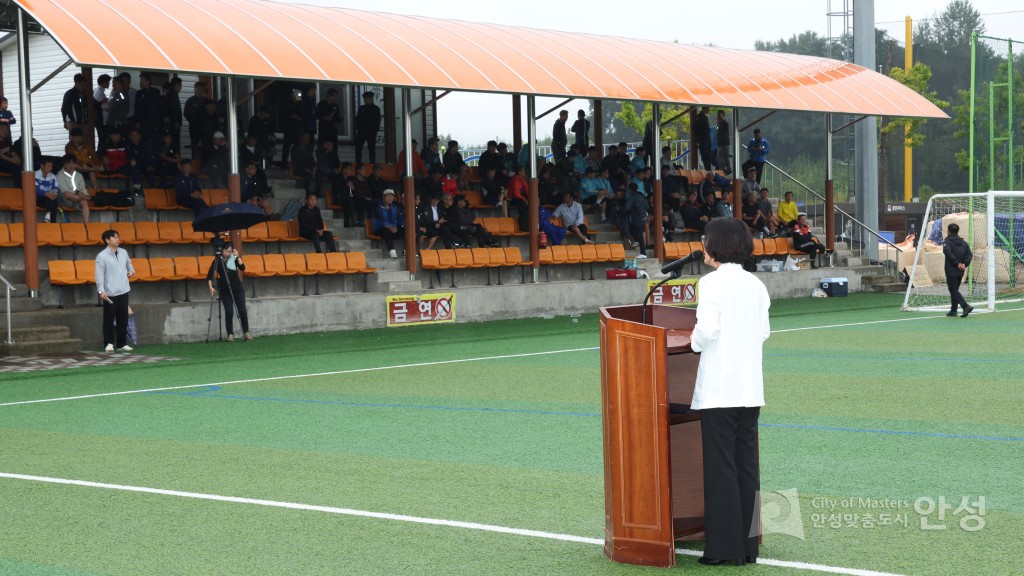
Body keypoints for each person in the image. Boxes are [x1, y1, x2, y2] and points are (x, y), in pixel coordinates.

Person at [689, 217, 770, 567]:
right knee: (745, 467)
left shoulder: (711, 283)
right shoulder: (756, 284)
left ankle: (723, 549)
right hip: (750, 388)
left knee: (721, 469)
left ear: (716, 244)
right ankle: (748, 547)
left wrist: (693, 342)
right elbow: (763, 332)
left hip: (721, 390)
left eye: (706, 239)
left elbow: (706, 331)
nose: (703, 244)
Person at [96, 229, 135, 353]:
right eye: (114, 237)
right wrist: (101, 291)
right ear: (107, 240)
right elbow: (99, 274)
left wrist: (131, 271)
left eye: (118, 237)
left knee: (123, 318)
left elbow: (129, 264)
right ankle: (108, 343)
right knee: (109, 319)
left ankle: (122, 343)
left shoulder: (124, 252)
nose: (118, 239)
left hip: (124, 290)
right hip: (110, 293)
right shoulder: (101, 256)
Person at [206, 241, 252, 342]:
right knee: (229, 312)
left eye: (230, 251)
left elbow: (242, 267)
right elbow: (209, 275)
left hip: (237, 289)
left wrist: (237, 256)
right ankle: (230, 334)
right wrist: (211, 287)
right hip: (225, 291)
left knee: (242, 311)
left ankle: (246, 332)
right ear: (222, 250)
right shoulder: (217, 261)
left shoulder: (233, 259)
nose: (227, 253)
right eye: (226, 251)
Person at [943, 223, 974, 317]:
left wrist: (957, 263)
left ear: (948, 231)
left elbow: (948, 253)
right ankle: (953, 310)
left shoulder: (947, 242)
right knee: (955, 289)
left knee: (953, 289)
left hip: (951, 269)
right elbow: (969, 254)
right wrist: (964, 264)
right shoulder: (964, 243)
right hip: (961, 270)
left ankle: (965, 306)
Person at [56, 155, 92, 224]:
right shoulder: (59, 175)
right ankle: (85, 198)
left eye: (73, 163)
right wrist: (79, 194)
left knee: (84, 202)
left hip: (77, 199)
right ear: (64, 164)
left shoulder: (79, 175)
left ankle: (86, 224)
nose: (71, 165)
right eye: (69, 163)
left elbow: (82, 188)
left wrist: (80, 194)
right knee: (68, 194)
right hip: (65, 200)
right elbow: (64, 191)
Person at [372, 189, 404, 258]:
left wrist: (404, 226)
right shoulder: (378, 207)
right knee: (386, 231)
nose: (390, 198)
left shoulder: (395, 207)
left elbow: (400, 220)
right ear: (383, 197)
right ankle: (392, 251)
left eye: (391, 196)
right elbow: (381, 220)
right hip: (380, 229)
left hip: (393, 229)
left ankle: (406, 251)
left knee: (405, 230)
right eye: (387, 196)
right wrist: (390, 227)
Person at [354, 91, 382, 163]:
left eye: (366, 98)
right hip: (361, 132)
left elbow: (377, 121)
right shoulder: (361, 108)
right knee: (358, 149)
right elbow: (357, 119)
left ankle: (372, 164)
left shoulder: (376, 109)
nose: (365, 100)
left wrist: (374, 131)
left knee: (372, 150)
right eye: (364, 98)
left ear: (371, 98)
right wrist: (358, 127)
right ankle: (358, 164)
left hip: (371, 133)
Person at [36, 158, 61, 223]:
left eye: (51, 166)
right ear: (42, 166)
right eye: (48, 166)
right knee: (53, 202)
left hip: (49, 199)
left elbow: (55, 188)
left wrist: (52, 194)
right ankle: (52, 221)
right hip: (38, 198)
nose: (50, 168)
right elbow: (35, 189)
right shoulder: (34, 175)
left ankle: (48, 217)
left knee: (53, 199)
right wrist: (46, 194)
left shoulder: (53, 176)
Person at [694, 106, 712, 170]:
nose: (709, 109)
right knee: (705, 156)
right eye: (708, 108)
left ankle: (708, 169)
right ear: (705, 108)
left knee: (707, 156)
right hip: (703, 140)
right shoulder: (700, 117)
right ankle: (708, 170)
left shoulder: (703, 117)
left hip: (705, 140)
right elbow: (696, 128)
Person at [715, 109, 731, 173]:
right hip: (719, 143)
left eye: (719, 115)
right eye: (717, 115)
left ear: (723, 116)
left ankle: (729, 169)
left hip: (725, 143)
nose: (718, 117)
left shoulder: (725, 123)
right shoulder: (719, 124)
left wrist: (718, 135)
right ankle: (722, 170)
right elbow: (717, 130)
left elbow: (723, 132)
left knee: (725, 158)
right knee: (719, 159)